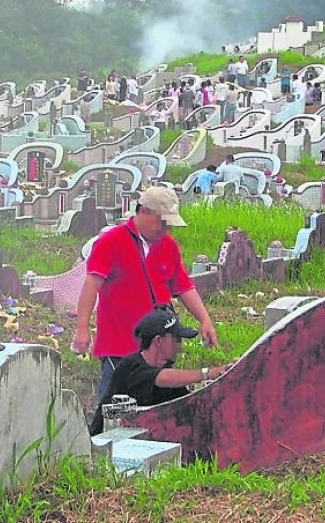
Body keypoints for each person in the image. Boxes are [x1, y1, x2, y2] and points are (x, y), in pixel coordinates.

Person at [71, 186, 218, 398]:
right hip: (120, 344)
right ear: (144, 211)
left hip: (159, 349)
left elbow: (184, 287)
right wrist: (82, 328)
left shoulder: (168, 246)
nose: (165, 229)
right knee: (115, 407)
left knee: (158, 405)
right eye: (162, 221)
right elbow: (91, 285)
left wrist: (205, 319)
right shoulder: (112, 241)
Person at [88, 306, 229, 435]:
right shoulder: (131, 366)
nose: (180, 345)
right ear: (159, 341)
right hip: (104, 448)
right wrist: (207, 373)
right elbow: (162, 378)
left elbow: (188, 404)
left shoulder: (166, 371)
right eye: (176, 339)